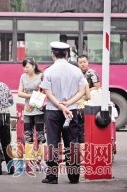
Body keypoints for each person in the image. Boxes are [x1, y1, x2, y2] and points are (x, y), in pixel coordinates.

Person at [40, 42, 85, 184]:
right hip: (71, 110)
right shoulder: (76, 70)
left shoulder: (48, 71)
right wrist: (68, 103)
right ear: (67, 54)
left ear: (53, 54)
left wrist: (60, 105)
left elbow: (48, 93)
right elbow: (82, 91)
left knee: (53, 142)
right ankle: (74, 176)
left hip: (53, 111)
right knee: (72, 143)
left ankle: (52, 177)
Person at [18, 57, 46, 144]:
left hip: (39, 109)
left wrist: (32, 100)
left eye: (27, 67)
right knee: (27, 135)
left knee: (40, 135)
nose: (25, 69)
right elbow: (19, 93)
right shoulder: (23, 77)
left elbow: (43, 91)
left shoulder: (41, 76)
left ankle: (40, 156)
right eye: (24, 67)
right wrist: (33, 96)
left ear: (33, 66)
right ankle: (30, 156)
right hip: (27, 110)